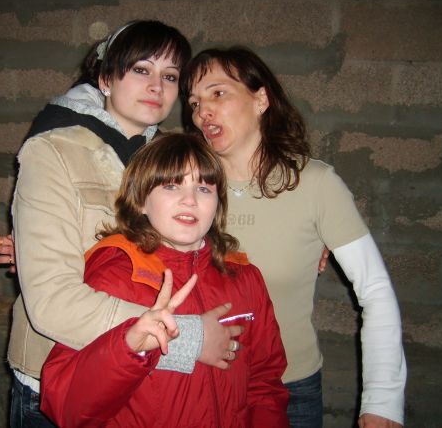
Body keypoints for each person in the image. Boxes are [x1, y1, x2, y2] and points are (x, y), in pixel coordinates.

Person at [0, 21, 243, 428]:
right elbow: (51, 302)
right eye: (141, 69)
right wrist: (189, 337)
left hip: (150, 387)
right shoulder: (52, 152)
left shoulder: (173, 160)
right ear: (106, 78)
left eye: (170, 76)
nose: (156, 86)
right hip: (63, 381)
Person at [180, 47, 407, 428]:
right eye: (194, 102)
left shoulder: (315, 185)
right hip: (197, 384)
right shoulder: (183, 184)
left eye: (217, 93)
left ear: (261, 99)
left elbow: (375, 289)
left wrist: (383, 400)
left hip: (289, 390)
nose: (203, 111)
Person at [40, 133, 289, 428]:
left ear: (218, 204)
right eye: (171, 185)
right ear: (141, 201)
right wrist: (130, 346)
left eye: (204, 188)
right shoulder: (115, 276)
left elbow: (264, 383)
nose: (190, 200)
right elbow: (66, 405)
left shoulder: (245, 277)